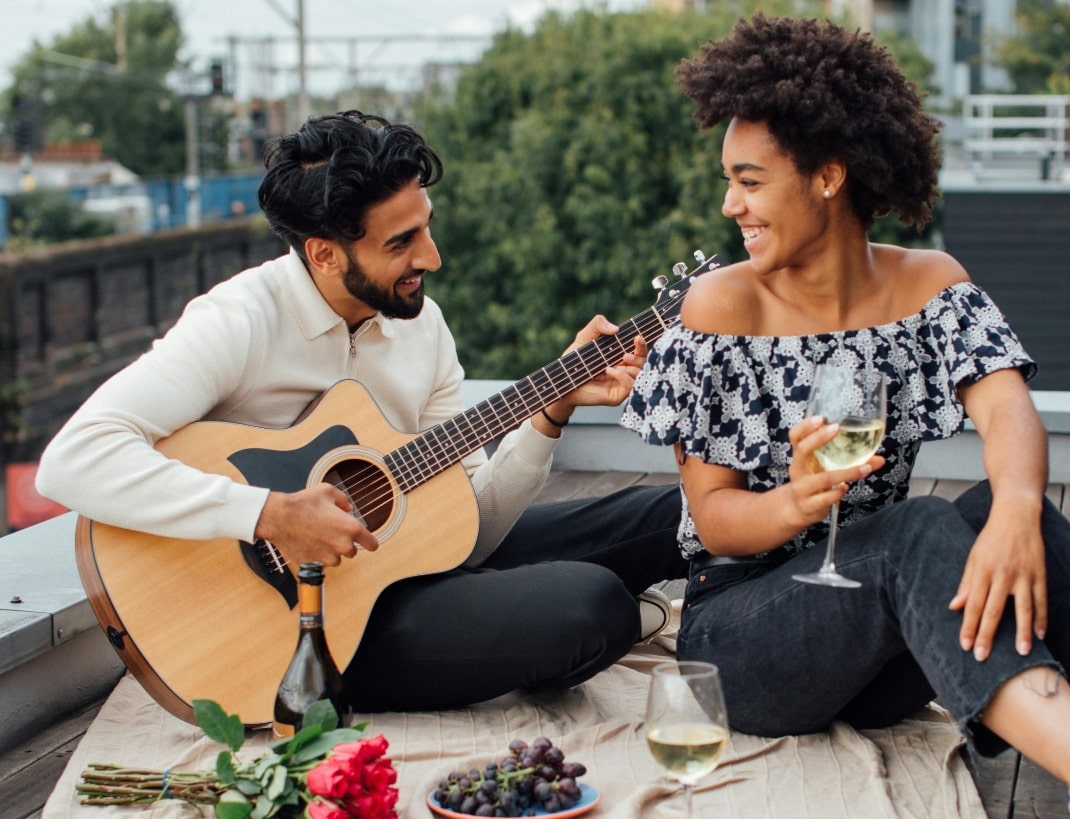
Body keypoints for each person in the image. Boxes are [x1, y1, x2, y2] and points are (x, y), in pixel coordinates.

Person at [622, 15, 1070, 819]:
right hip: (747, 646)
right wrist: (792, 502)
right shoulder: (720, 308)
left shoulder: (929, 285)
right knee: (923, 525)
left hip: (891, 647)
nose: (729, 205)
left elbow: (1007, 410)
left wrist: (1013, 510)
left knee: (1016, 516)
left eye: (749, 181)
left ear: (828, 175)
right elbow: (712, 520)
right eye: (730, 181)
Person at [37, 110, 683, 712]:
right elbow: (72, 460)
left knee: (670, 513)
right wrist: (269, 515)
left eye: (426, 226)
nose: (431, 257)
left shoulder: (423, 328)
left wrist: (552, 411)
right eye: (402, 242)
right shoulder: (238, 323)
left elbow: (471, 531)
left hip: (410, 568)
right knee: (592, 606)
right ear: (323, 252)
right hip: (312, 632)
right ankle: (611, 612)